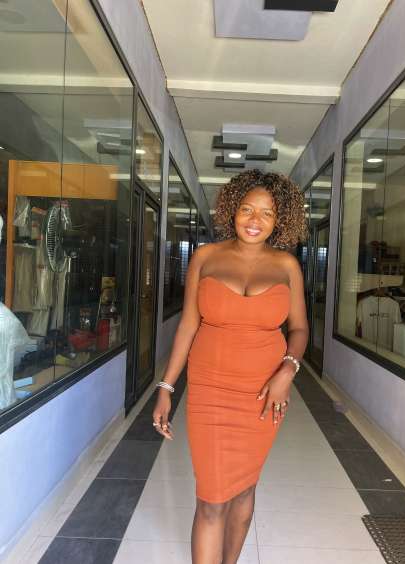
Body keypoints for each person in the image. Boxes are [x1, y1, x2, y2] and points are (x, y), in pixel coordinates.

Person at [153, 169, 309, 564]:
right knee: (211, 499)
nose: (255, 220)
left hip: (263, 392)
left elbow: (300, 328)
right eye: (247, 209)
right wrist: (166, 387)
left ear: (279, 220)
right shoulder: (206, 257)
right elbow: (188, 325)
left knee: (244, 488)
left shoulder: (287, 265)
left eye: (267, 213)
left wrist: (287, 371)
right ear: (232, 210)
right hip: (210, 391)